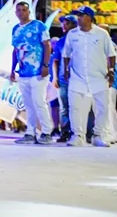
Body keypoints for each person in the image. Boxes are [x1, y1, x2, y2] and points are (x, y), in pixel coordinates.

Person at [63, 6, 116, 147]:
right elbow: (66, 54)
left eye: (81, 15)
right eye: (78, 16)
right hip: (77, 77)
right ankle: (77, 136)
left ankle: (98, 135)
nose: (78, 18)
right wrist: (66, 70)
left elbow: (111, 54)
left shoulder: (102, 34)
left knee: (103, 107)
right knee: (74, 107)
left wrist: (111, 70)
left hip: (99, 77)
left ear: (90, 18)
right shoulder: (72, 34)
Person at [10, 1, 54, 144]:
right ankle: (30, 133)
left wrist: (46, 65)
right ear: (16, 13)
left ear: (29, 12)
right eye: (19, 10)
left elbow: (47, 45)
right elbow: (15, 50)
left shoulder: (39, 26)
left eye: (24, 10)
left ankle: (47, 132)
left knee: (39, 102)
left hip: (38, 73)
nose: (21, 12)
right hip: (23, 73)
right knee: (28, 105)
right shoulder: (15, 29)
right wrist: (12, 70)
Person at [51, 14, 77, 142]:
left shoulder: (79, 39)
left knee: (79, 107)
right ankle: (65, 132)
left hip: (78, 78)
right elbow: (55, 61)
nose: (63, 25)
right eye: (63, 23)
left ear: (74, 24)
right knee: (64, 107)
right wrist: (55, 77)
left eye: (67, 23)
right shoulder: (60, 41)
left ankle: (83, 132)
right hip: (63, 79)